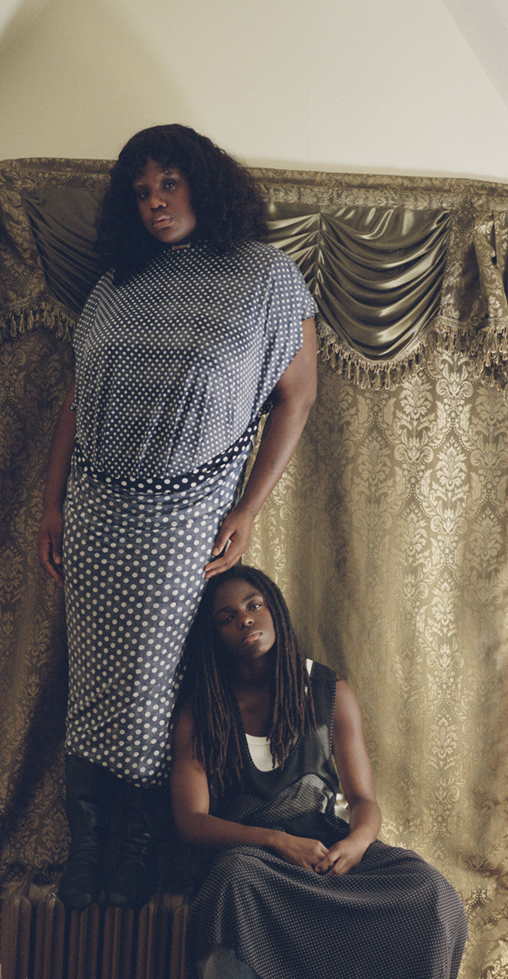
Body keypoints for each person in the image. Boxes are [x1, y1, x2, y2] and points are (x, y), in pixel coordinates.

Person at [37, 126, 317, 911]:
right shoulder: (117, 284)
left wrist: (248, 508)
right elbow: (72, 401)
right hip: (94, 504)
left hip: (188, 510)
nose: (155, 203)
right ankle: (86, 851)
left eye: (168, 183)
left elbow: (297, 397)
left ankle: (135, 846)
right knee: (89, 678)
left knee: (155, 681)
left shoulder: (266, 276)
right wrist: (53, 503)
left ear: (205, 183)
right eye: (140, 192)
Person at [171, 566, 468, 979]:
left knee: (431, 894)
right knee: (231, 883)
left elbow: (364, 801)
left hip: (331, 848)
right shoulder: (201, 708)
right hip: (252, 861)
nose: (245, 622)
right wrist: (276, 843)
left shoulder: (329, 691)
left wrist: (356, 845)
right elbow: (193, 822)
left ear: (276, 611)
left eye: (254, 606)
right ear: (212, 634)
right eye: (226, 617)